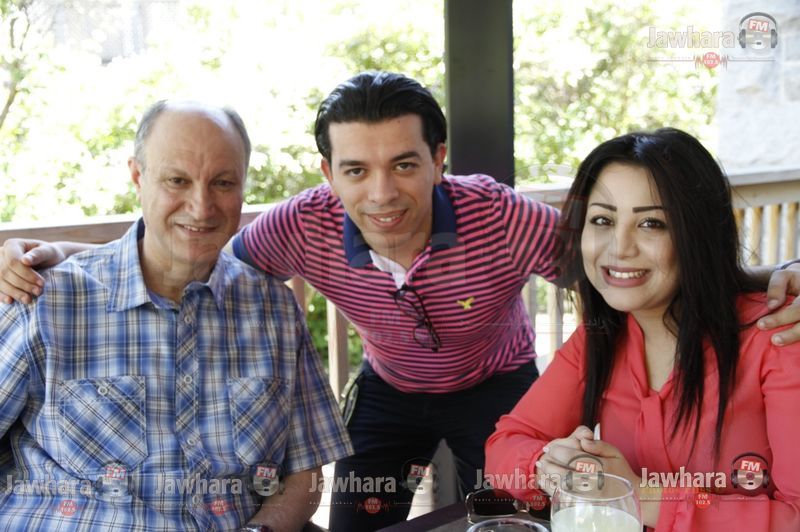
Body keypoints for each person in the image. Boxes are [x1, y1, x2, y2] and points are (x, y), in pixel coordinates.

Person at [1, 72, 800, 530]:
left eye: (405, 165)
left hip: (492, 379)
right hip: (388, 387)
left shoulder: (501, 218)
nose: (381, 193)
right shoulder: (299, 227)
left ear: (439, 158)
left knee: (506, 511)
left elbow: (617, 266)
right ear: (328, 175)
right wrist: (80, 261)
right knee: (358, 515)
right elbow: (197, 251)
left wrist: (771, 279)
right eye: (356, 170)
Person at [0, 101, 352, 531]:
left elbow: (305, 473)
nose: (201, 207)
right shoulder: (46, 300)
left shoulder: (274, 309)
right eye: (177, 181)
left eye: (223, 183)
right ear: (138, 176)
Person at [485, 128, 800, 530]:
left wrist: (642, 495)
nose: (619, 247)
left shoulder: (779, 337)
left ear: (698, 234)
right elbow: (505, 445)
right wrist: (546, 466)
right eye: (602, 220)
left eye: (651, 223)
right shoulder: (600, 337)